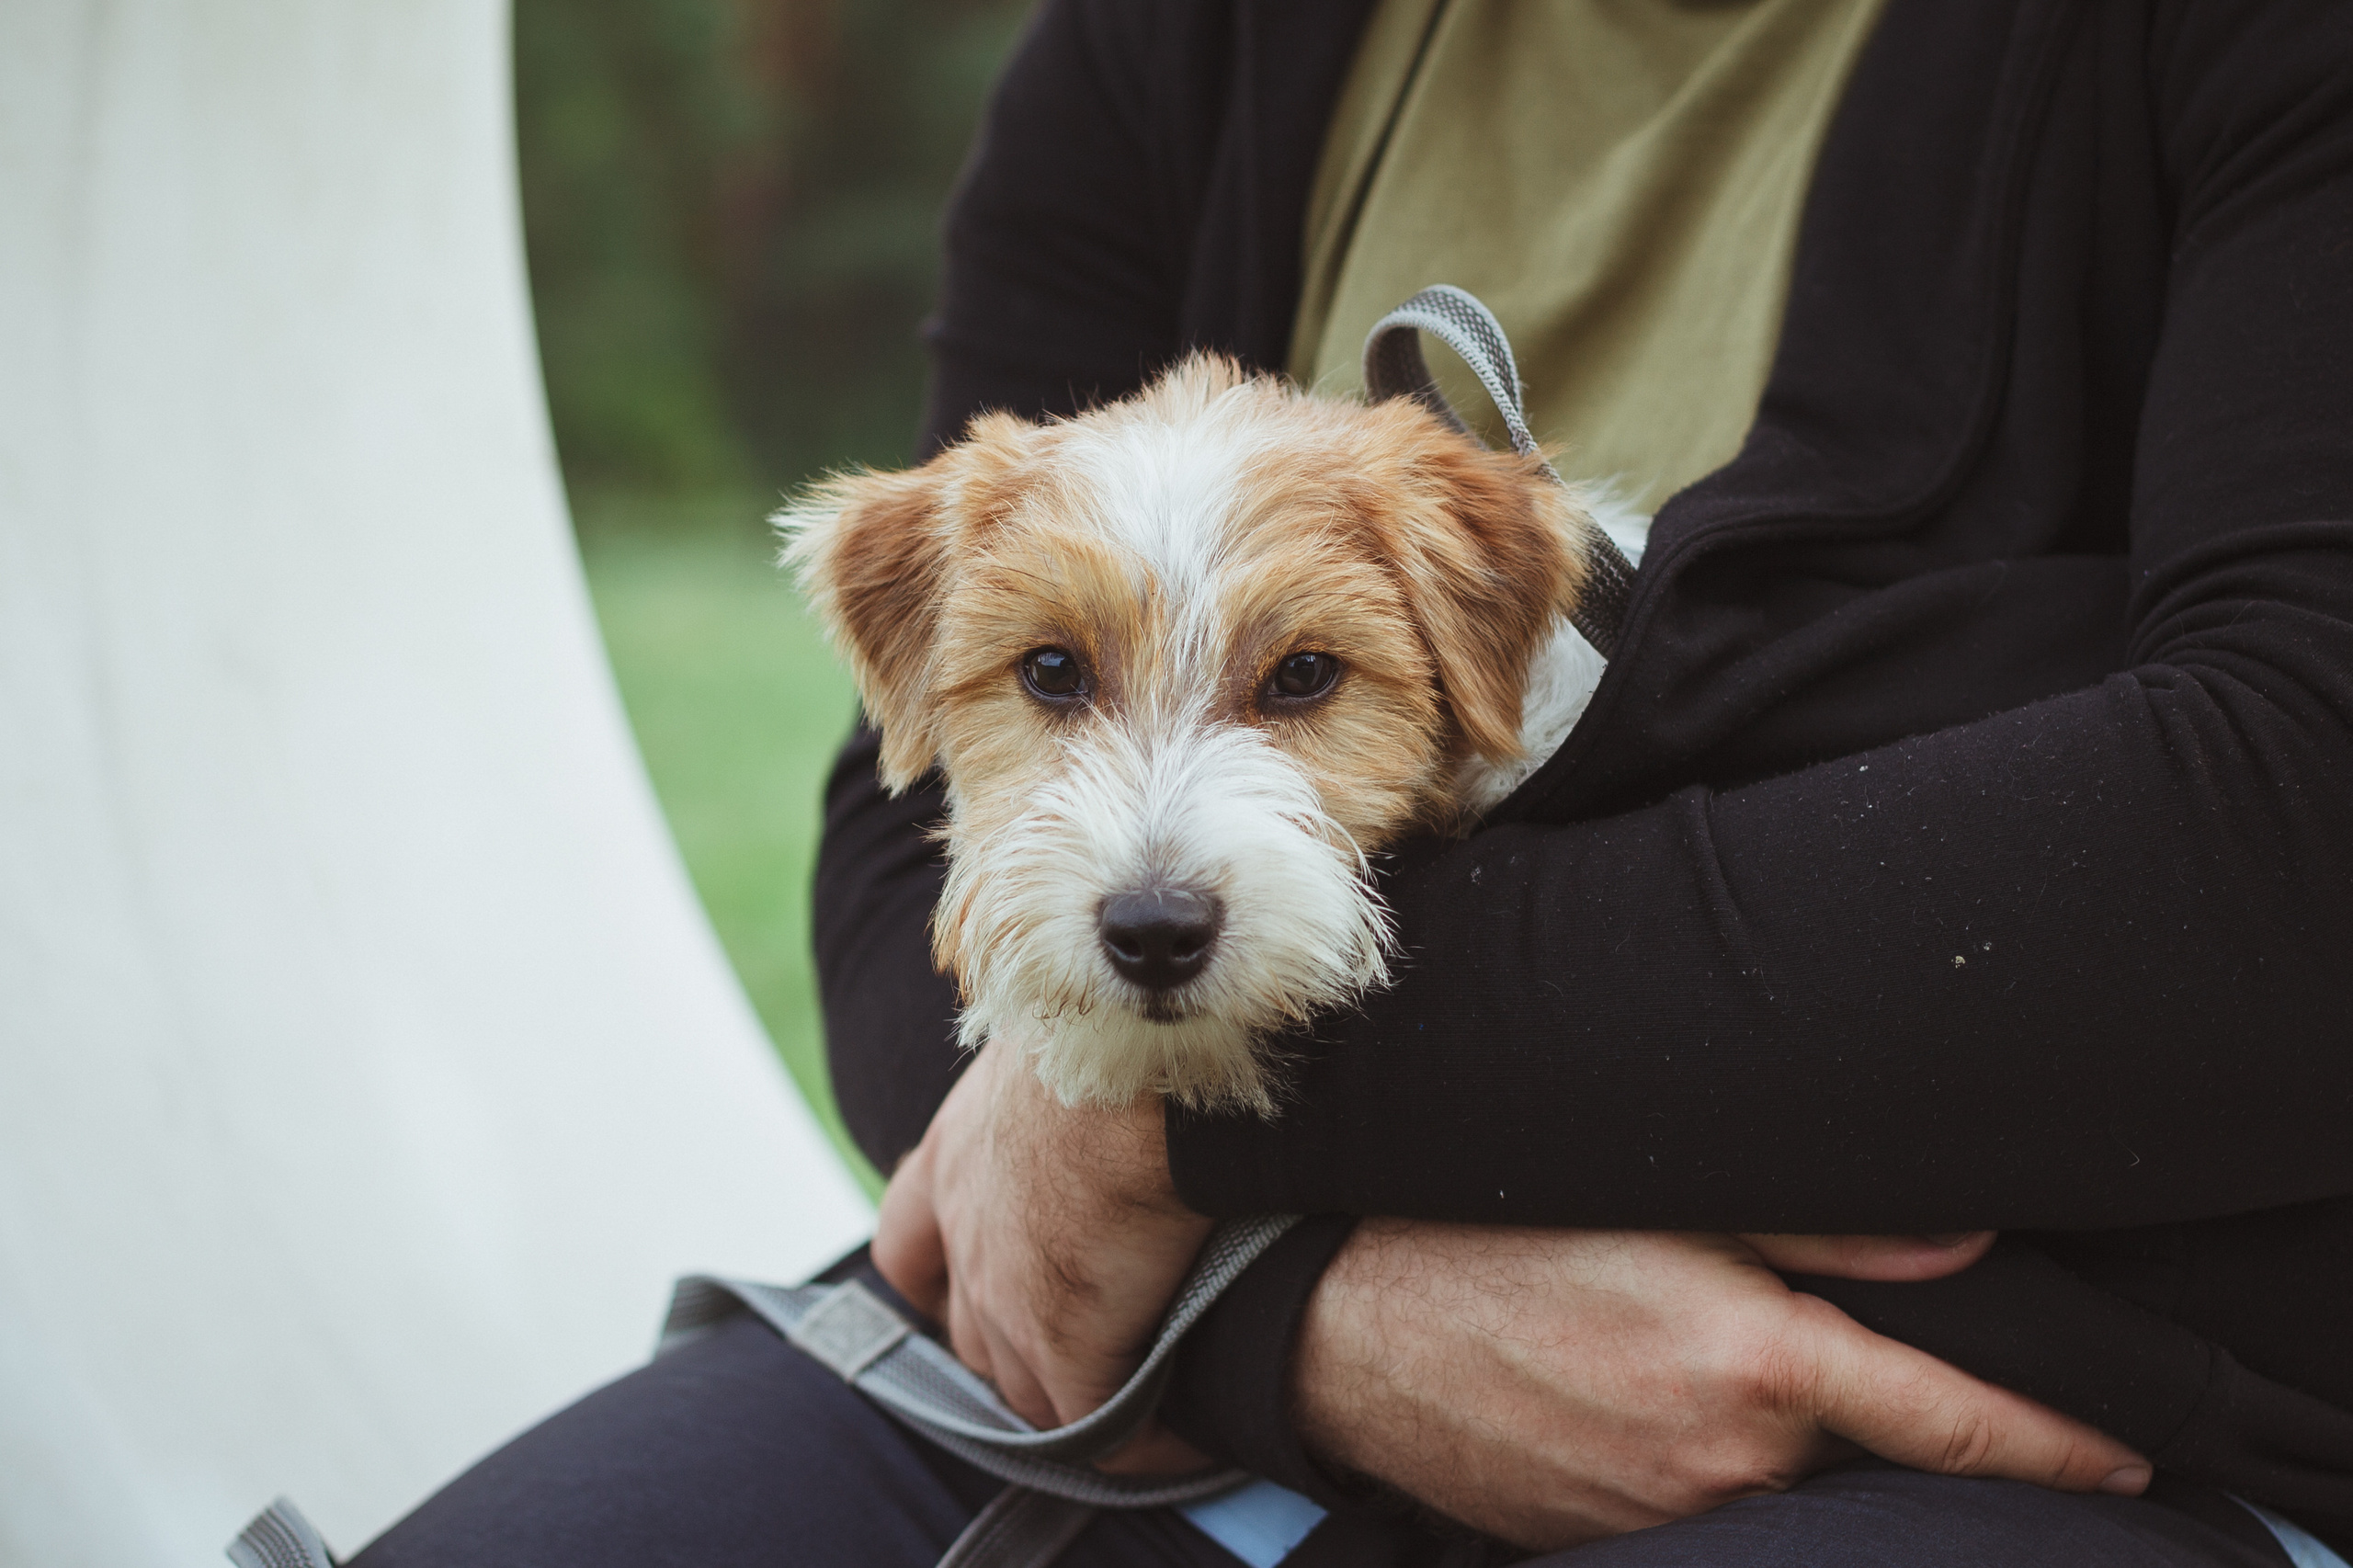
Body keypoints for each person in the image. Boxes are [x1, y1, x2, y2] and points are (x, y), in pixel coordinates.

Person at [351, 1, 2353, 1563]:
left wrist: (1159, 1139)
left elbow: (2281, 846)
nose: (1153, 828)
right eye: (1070, 676)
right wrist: (1289, 1312)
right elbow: (908, 829)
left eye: (1297, 678)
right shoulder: (1174, 39)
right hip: (1139, 1373)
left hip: (2012, 1396)